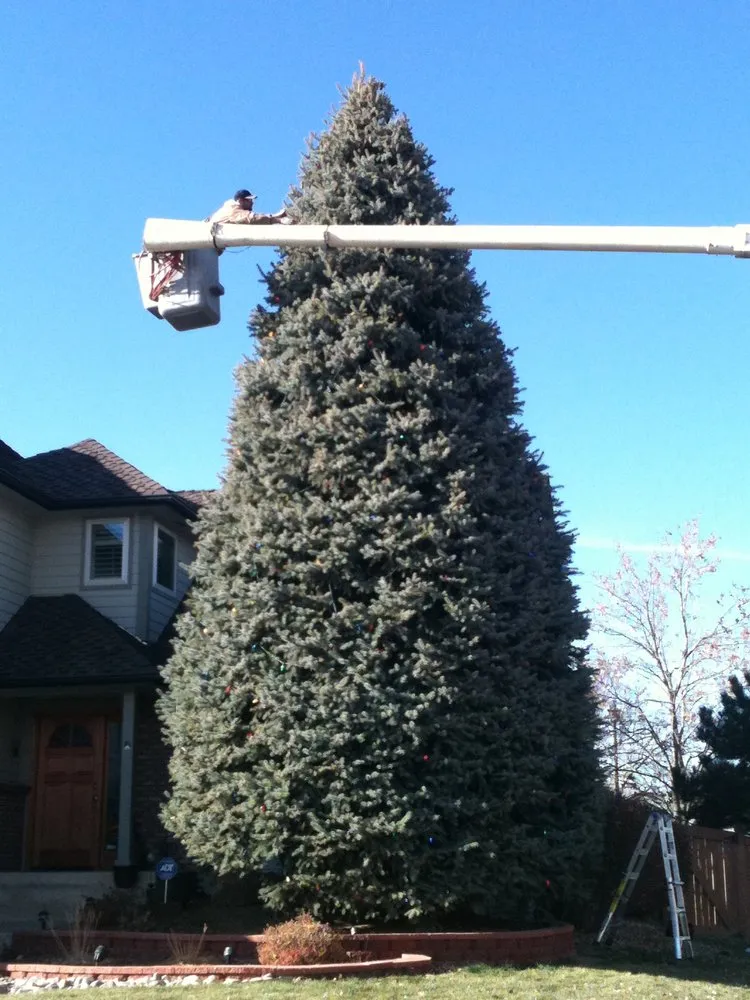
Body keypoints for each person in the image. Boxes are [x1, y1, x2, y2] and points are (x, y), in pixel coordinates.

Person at [208, 189, 292, 225]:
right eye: (249, 200)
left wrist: (273, 216)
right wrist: (279, 220)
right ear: (240, 201)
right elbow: (252, 218)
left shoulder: (228, 209)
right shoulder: (233, 210)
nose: (252, 203)